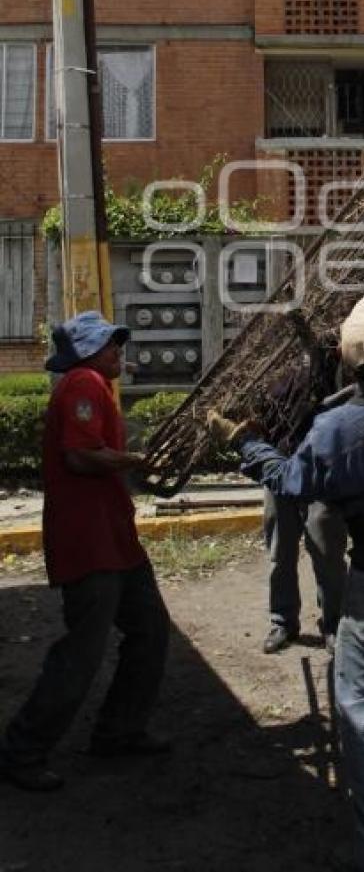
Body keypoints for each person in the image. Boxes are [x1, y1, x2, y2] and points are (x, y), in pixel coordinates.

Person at [209, 175, 364, 872]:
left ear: (350, 358)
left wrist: (242, 441)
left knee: (363, 713)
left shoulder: (336, 429)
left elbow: (288, 482)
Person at [0, 311, 171, 792]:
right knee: (81, 652)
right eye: (110, 344)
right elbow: (80, 455)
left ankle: (119, 730)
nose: (119, 350)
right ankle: (22, 750)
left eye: (117, 343)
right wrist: (137, 459)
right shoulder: (83, 383)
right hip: (89, 541)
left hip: (114, 538)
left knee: (151, 631)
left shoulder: (94, 384)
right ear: (88, 352)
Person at [261, 490, 347, 654]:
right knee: (280, 553)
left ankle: (334, 624)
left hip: (320, 475)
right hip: (278, 474)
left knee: (328, 552)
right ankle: (283, 623)